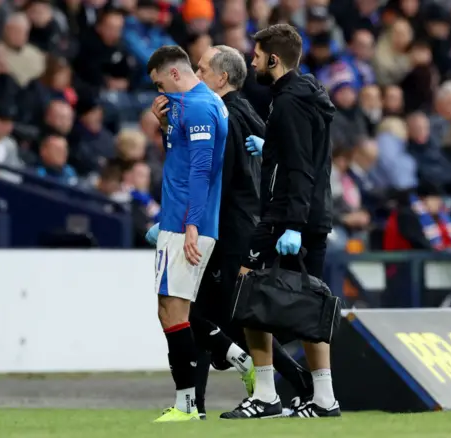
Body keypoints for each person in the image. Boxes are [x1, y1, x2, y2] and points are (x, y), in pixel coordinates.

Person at [162, 45, 314, 418]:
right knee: (215, 312)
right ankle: (211, 390)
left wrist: (191, 220)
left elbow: (217, 175)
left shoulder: (223, 113)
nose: (196, 75)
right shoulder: (247, 112)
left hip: (226, 227)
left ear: (221, 77)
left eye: (201, 69)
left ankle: (277, 379)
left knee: (215, 312)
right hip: (244, 223)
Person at [221, 24, 340, 419]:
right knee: (309, 304)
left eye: (256, 56)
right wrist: (270, 143)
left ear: (273, 59)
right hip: (313, 216)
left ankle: (267, 394)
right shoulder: (308, 95)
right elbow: (302, 151)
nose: (252, 61)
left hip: (286, 216)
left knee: (248, 290)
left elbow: (301, 167)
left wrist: (291, 223)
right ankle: (324, 399)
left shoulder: (288, 102)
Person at [143, 46, 229, 423]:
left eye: (159, 81)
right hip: (179, 219)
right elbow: (181, 157)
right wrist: (163, 127)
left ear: (173, 74)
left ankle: (188, 405)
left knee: (174, 311)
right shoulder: (194, 104)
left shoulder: (197, 108)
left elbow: (201, 169)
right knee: (169, 309)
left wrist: (191, 225)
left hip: (184, 223)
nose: (159, 90)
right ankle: (189, 400)